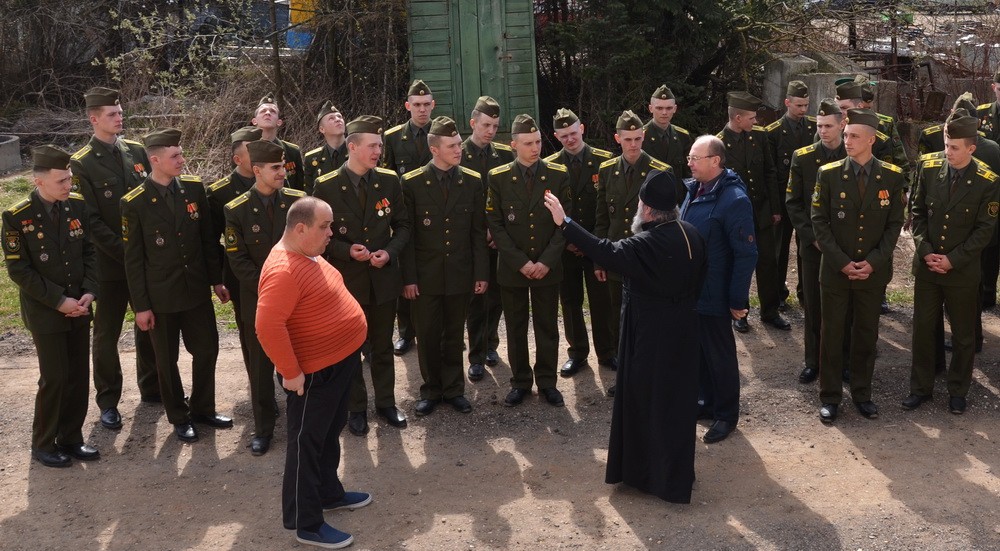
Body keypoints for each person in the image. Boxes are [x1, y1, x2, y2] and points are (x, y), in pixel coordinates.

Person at [543, 170, 706, 503]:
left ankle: (650, 476)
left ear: (647, 210)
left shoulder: (647, 243)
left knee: (647, 400)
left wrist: (565, 222)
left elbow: (605, 251)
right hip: (684, 327)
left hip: (650, 332)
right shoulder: (690, 232)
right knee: (675, 401)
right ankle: (676, 472)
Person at [255, 196, 372, 549]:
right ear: (300, 228)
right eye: (324, 227)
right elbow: (267, 326)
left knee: (329, 432)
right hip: (314, 374)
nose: (331, 233)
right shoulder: (283, 270)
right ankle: (305, 523)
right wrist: (290, 372)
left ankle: (328, 493)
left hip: (339, 363)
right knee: (305, 445)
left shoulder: (307, 252)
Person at [121, 128, 233, 443]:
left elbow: (207, 240)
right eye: (175, 156)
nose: (182, 160)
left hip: (195, 290)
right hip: (161, 297)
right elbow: (133, 260)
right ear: (155, 160)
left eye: (181, 154)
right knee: (166, 360)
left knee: (207, 349)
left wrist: (216, 280)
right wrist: (141, 306)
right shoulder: (135, 202)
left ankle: (203, 408)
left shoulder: (194, 189)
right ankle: (179, 417)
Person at [313, 115, 412, 436]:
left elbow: (403, 225)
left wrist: (390, 252)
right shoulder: (326, 185)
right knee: (350, 348)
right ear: (352, 147)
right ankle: (355, 407)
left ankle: (386, 403)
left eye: (380, 146)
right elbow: (319, 236)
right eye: (372, 146)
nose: (378, 152)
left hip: (383, 279)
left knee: (382, 346)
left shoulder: (389, 181)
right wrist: (346, 251)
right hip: (347, 282)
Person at [3, 145, 100, 467]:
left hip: (80, 306)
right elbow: (19, 270)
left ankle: (71, 438)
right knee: (55, 378)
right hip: (47, 312)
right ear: (39, 181)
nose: (68, 185)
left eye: (69, 178)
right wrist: (59, 301)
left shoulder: (76, 206)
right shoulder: (17, 216)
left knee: (78, 376)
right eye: (61, 181)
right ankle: (44, 443)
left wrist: (89, 291)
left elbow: (90, 252)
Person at [71, 86, 159, 430]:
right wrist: (127, 251)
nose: (119, 117)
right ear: (94, 119)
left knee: (148, 324)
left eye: (120, 112)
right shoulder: (81, 163)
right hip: (108, 265)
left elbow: (149, 200)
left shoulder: (135, 151)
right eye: (112, 114)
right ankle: (108, 400)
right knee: (106, 335)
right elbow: (90, 220)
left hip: (143, 262)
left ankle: (152, 388)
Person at [811, 108, 906, 424]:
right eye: (846, 135)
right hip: (836, 272)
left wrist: (873, 262)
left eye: (853, 136)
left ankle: (862, 394)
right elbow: (819, 222)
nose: (847, 141)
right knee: (832, 335)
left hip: (871, 273)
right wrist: (842, 262)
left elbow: (894, 225)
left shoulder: (892, 176)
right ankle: (830, 397)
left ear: (871, 140)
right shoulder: (828, 174)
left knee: (866, 334)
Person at [904, 113, 999, 415]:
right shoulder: (929, 167)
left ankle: (958, 390)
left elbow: (984, 230)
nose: (948, 152)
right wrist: (925, 251)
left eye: (955, 147)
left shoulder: (987, 181)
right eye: (946, 144)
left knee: (963, 335)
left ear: (971, 148)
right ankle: (920, 388)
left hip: (961, 272)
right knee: (923, 329)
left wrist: (952, 260)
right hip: (928, 268)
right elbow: (917, 213)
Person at [401, 116, 488, 415]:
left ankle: (454, 389)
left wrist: (481, 273)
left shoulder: (472, 181)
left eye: (459, 144)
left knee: (453, 333)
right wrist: (409, 278)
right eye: (451, 146)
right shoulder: (412, 183)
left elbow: (478, 233)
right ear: (434, 149)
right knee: (427, 334)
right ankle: (431, 390)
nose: (458, 149)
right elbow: (408, 237)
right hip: (425, 276)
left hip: (459, 273)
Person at [224, 139, 306, 455]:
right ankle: (263, 428)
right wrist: (274, 288)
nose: (283, 172)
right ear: (257, 170)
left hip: (298, 300)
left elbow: (310, 249)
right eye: (275, 168)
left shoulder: (298, 204)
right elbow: (238, 260)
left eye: (283, 166)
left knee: (299, 362)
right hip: (259, 301)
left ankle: (301, 424)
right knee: (260, 369)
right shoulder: (236, 210)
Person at [486, 114, 572, 407]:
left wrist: (546, 261)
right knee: (516, 327)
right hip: (514, 269)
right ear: (514, 145)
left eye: (537, 142)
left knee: (547, 326)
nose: (535, 148)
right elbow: (496, 225)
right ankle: (521, 382)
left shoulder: (558, 175)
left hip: (548, 266)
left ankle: (547, 382)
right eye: (528, 143)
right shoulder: (498, 177)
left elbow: (564, 224)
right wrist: (520, 262)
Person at [680, 135, 757, 444]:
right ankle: (705, 402)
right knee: (698, 353)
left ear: (715, 161)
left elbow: (746, 254)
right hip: (693, 292)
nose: (689, 163)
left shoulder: (734, 199)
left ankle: (726, 415)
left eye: (695, 158)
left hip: (716, 293)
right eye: (689, 157)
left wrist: (737, 300)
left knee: (719, 356)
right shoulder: (694, 189)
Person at [594, 110, 672, 375]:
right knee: (617, 314)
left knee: (648, 315)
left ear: (644, 136)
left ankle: (649, 368)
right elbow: (602, 219)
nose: (633, 144)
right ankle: (624, 369)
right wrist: (599, 260)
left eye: (638, 138)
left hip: (648, 259)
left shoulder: (660, 171)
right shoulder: (607, 170)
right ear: (618, 139)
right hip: (618, 257)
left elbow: (668, 223)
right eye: (627, 139)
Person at [545, 108, 615, 377]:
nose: (570, 139)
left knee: (602, 301)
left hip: (596, 244)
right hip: (565, 247)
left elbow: (607, 208)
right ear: (556, 136)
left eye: (573, 133)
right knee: (570, 301)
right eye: (563, 136)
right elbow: (547, 209)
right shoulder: (549, 166)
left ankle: (607, 352)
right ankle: (577, 353)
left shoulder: (605, 161)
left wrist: (593, 243)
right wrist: (566, 241)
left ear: (582, 129)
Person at [785, 98, 846, 384]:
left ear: (842, 125)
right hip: (813, 247)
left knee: (844, 307)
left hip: (845, 246)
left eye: (828, 126)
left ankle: (842, 361)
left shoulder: (853, 154)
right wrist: (812, 237)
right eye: (819, 126)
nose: (822, 131)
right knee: (813, 304)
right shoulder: (803, 157)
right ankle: (813, 361)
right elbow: (794, 202)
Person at [717, 91, 789, 332]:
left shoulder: (759, 136)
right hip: (736, 217)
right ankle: (740, 312)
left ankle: (771, 311)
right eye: (751, 117)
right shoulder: (718, 144)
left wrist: (775, 208)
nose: (755, 121)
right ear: (737, 118)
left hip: (761, 211)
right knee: (739, 264)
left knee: (768, 262)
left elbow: (770, 172)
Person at [462, 96, 514, 381]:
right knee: (475, 298)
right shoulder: (458, 153)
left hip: (497, 238)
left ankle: (491, 344)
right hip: (471, 239)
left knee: (496, 296)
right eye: (486, 125)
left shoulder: (504, 155)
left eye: (495, 126)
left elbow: (509, 198)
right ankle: (476, 355)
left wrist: (497, 229)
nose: (491, 131)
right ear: (473, 123)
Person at [383, 79, 436, 356]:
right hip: (404, 215)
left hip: (436, 215)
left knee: (436, 272)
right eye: (417, 104)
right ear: (407, 106)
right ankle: (406, 333)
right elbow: (388, 177)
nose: (422, 109)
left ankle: (441, 330)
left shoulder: (442, 133)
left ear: (433, 105)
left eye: (426, 104)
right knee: (405, 272)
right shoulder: (392, 137)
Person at [206, 126, 263, 378]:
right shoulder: (220, 192)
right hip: (240, 275)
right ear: (237, 159)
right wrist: (218, 278)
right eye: (253, 152)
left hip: (275, 269)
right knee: (249, 329)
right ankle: (257, 381)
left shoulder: (275, 180)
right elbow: (211, 240)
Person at [766, 80, 816, 308]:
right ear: (787, 102)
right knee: (780, 250)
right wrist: (775, 207)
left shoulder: (814, 128)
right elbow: (771, 171)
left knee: (807, 248)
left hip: (807, 202)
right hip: (783, 200)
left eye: (806, 105)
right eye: (798, 105)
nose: (803, 109)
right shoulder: (773, 132)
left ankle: (807, 294)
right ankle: (778, 294)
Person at [251, 94, 304, 190]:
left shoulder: (292, 152)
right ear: (254, 121)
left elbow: (299, 188)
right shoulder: (245, 150)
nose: (268, 113)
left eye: (273, 111)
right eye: (263, 111)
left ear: (279, 122)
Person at [642, 84, 693, 182]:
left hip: (676, 191)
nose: (664, 112)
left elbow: (687, 173)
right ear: (651, 108)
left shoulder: (682, 136)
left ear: (675, 109)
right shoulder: (640, 137)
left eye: (669, 108)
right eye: (659, 108)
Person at [303, 101, 348, 195]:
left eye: (339, 116)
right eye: (331, 118)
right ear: (322, 129)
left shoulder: (356, 152)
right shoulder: (312, 159)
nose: (337, 119)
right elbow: (309, 194)